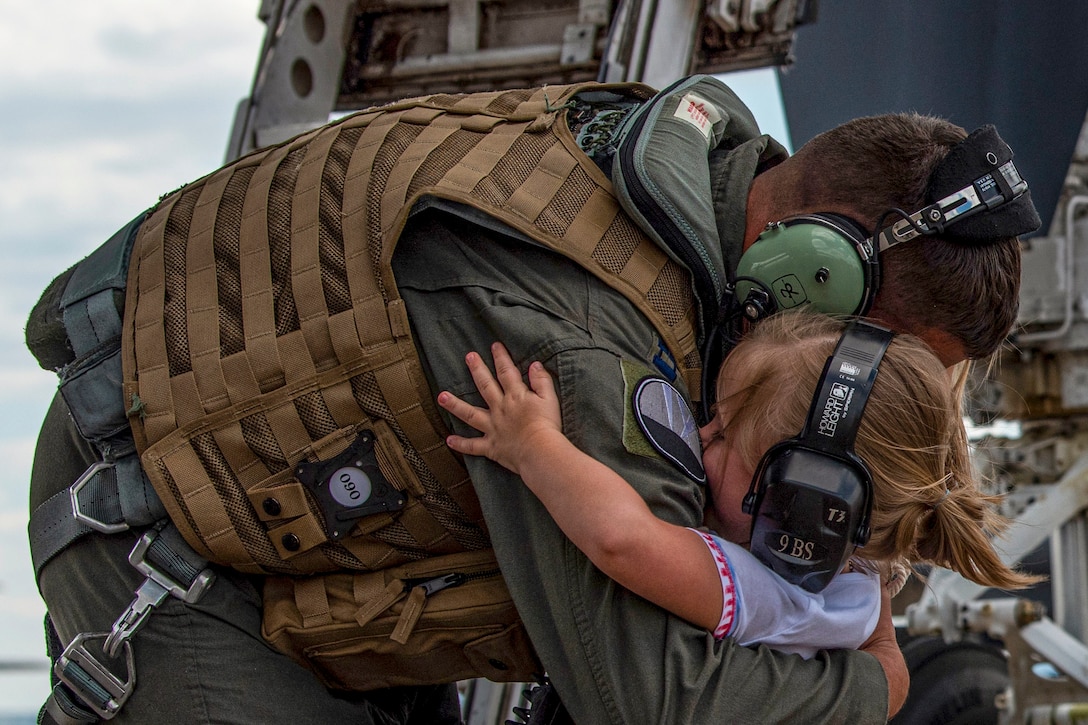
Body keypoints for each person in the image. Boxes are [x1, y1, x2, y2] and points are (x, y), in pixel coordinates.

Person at [27, 75, 1038, 724]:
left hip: (316, 546)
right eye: (868, 369)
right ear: (811, 270)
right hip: (160, 539)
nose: (848, 435)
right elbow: (656, 698)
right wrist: (877, 684)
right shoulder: (594, 339)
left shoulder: (686, 184)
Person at [435, 313, 1040, 659]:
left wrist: (531, 444)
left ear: (801, 509)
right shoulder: (856, 582)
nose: (699, 438)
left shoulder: (777, 598)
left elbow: (621, 539)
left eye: (723, 436)